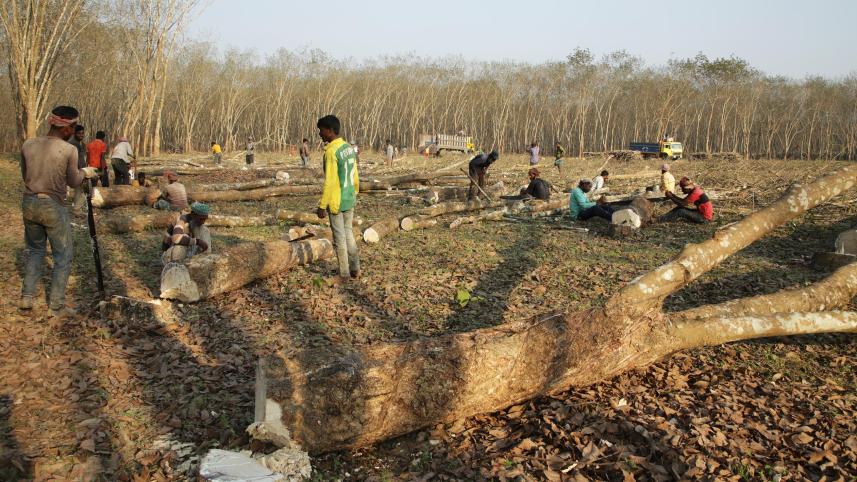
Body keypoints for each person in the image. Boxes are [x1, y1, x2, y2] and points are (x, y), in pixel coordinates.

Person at [19, 105, 98, 316]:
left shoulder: (28, 144)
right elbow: (73, 182)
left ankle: (27, 297)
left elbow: (25, 174)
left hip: (29, 202)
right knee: (62, 255)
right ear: (66, 128)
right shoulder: (69, 149)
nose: (74, 132)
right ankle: (56, 306)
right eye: (73, 128)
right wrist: (85, 172)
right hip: (53, 204)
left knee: (35, 250)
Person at [316, 115, 360, 281]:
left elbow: (330, 181)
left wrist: (322, 205)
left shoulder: (332, 152)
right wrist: (354, 191)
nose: (320, 134)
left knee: (339, 238)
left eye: (321, 130)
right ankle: (355, 268)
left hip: (336, 201)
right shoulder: (348, 148)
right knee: (349, 234)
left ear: (329, 131)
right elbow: (355, 174)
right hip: (349, 197)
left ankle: (343, 273)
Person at [68, 125, 87, 211]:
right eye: (79, 133)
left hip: (75, 170)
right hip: (75, 170)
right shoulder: (74, 143)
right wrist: (83, 171)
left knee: (78, 190)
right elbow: (78, 160)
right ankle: (76, 209)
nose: (81, 135)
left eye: (82, 133)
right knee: (80, 190)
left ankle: (75, 208)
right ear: (74, 133)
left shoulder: (81, 144)